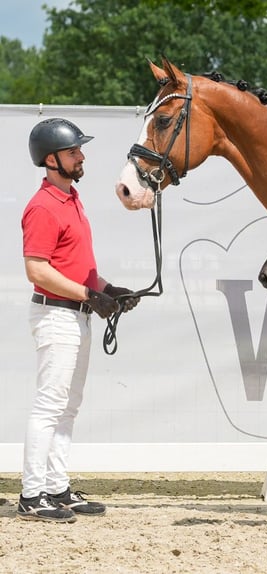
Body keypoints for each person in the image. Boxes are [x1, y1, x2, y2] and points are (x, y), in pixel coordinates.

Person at [18, 118, 140, 523]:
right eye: (74, 152)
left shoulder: (71, 199)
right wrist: (89, 295)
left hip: (77, 314)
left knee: (68, 407)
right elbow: (37, 270)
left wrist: (108, 288)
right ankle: (32, 494)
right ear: (51, 160)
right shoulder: (41, 207)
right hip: (57, 315)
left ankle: (56, 487)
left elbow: (76, 266)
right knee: (50, 406)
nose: (82, 156)